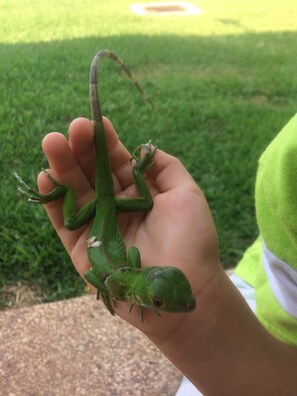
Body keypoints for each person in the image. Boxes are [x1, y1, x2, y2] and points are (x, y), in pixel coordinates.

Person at [37, 116, 297, 395]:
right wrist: (107, 288)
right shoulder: (122, 284)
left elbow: (104, 268)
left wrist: (108, 289)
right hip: (105, 217)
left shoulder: (126, 280)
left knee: (77, 220)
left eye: (157, 300)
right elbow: (105, 266)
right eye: (158, 300)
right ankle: (63, 189)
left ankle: (65, 190)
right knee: (83, 217)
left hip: (107, 217)